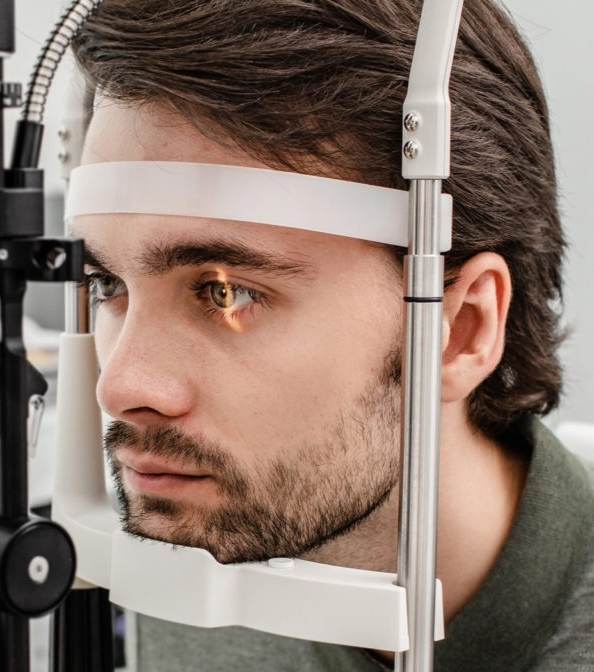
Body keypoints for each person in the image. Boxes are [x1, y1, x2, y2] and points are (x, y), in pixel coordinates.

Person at [67, 0, 594, 669]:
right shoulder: (192, 561)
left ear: (460, 328)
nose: (120, 387)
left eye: (225, 293)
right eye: (107, 285)